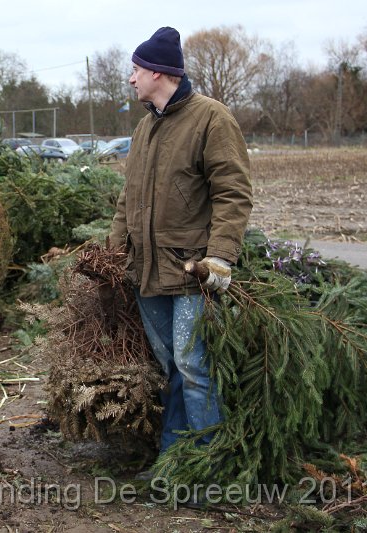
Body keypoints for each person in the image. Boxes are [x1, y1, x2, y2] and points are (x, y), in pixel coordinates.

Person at [108, 27, 253, 459]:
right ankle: (175, 459)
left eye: (136, 70)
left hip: (191, 270)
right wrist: (114, 256)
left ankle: (208, 464)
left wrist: (222, 257)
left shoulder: (211, 118)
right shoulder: (144, 128)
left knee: (194, 368)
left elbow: (233, 192)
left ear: (158, 72)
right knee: (171, 366)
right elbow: (126, 198)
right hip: (146, 271)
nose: (131, 79)